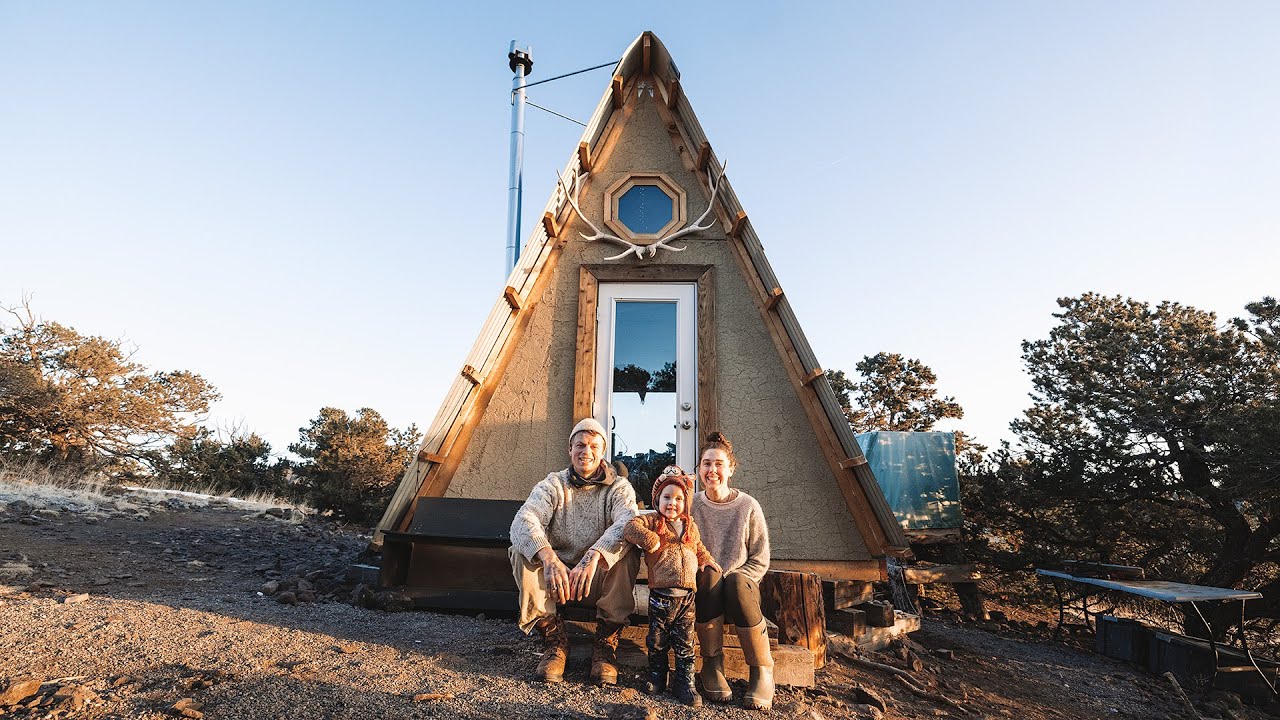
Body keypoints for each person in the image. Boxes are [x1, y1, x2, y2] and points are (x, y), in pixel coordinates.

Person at [508, 418, 641, 685]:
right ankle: (554, 642)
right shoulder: (553, 484)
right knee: (522, 550)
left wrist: (594, 556)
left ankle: (605, 645)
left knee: (628, 551)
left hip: (596, 579)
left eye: (593, 446)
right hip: (559, 581)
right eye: (580, 444)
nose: (586, 451)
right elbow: (524, 520)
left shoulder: (619, 487)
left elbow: (627, 523)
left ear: (602, 452)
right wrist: (549, 558)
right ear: (570, 449)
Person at [622, 466, 720, 707]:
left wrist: (707, 559)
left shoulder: (690, 526)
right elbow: (630, 527)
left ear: (685, 502)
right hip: (660, 596)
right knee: (657, 641)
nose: (672, 503)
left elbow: (698, 548)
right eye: (666, 497)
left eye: (678, 499)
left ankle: (684, 682)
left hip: (686, 598)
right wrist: (650, 539)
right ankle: (657, 675)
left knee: (686, 643)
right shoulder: (654, 522)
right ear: (657, 499)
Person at [691, 431, 774, 711]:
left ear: (731, 469)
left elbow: (761, 559)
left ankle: (761, 670)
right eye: (706, 464)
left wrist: (733, 579)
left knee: (736, 581)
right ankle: (712, 665)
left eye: (718, 464)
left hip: (741, 591)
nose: (712, 470)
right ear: (699, 469)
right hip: (706, 589)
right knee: (710, 574)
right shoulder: (691, 506)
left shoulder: (748, 506)